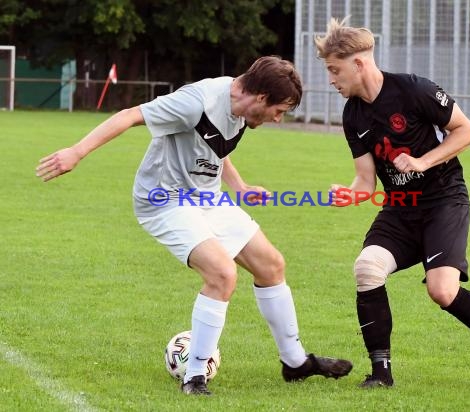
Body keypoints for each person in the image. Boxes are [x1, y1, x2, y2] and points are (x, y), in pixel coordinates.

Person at [36, 56, 352, 395]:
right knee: (222, 274)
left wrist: (240, 188)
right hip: (164, 199)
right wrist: (76, 152)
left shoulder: (242, 109)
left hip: (205, 198)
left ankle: (295, 363)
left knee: (271, 265)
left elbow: (215, 146)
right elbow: (129, 116)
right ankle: (195, 376)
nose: (278, 119)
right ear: (261, 98)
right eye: (280, 110)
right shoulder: (196, 102)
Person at [314, 18, 470, 390]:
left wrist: (422, 161)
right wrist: (349, 194)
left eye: (334, 70)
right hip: (400, 209)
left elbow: (468, 130)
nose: (331, 80)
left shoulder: (414, 89)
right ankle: (381, 374)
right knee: (367, 268)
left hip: (443, 201)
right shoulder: (353, 115)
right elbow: (366, 182)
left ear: (359, 63)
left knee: (442, 291)